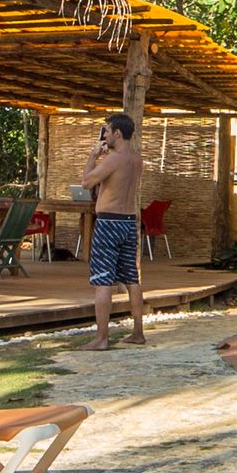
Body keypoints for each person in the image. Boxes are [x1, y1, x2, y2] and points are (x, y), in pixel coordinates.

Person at [76, 110, 147, 348]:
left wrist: (93, 156)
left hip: (108, 222)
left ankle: (101, 338)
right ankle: (138, 332)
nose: (104, 135)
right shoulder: (137, 159)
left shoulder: (113, 159)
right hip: (128, 221)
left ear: (118, 133)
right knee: (131, 278)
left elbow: (87, 183)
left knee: (102, 280)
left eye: (107, 131)